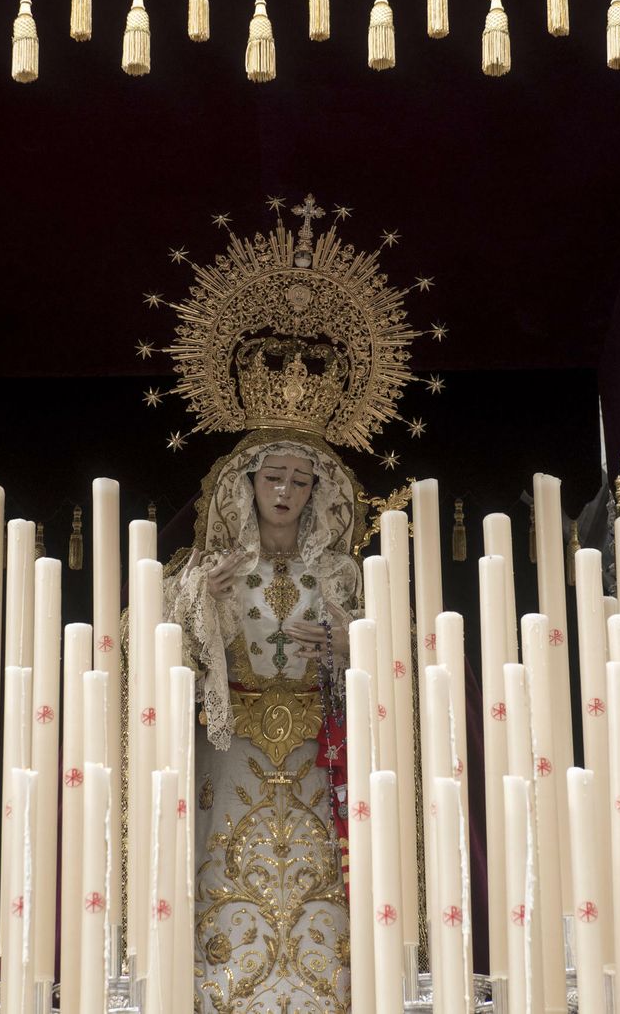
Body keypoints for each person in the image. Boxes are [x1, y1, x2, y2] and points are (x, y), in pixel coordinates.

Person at [164, 430, 365, 1014]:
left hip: (316, 754)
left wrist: (348, 643)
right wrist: (198, 599)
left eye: (300, 481)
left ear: (317, 494)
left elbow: (393, 655)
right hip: (232, 754)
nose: (285, 490)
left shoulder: (339, 576)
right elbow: (145, 643)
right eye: (273, 476)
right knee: (223, 872)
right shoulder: (209, 568)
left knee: (320, 885)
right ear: (246, 484)